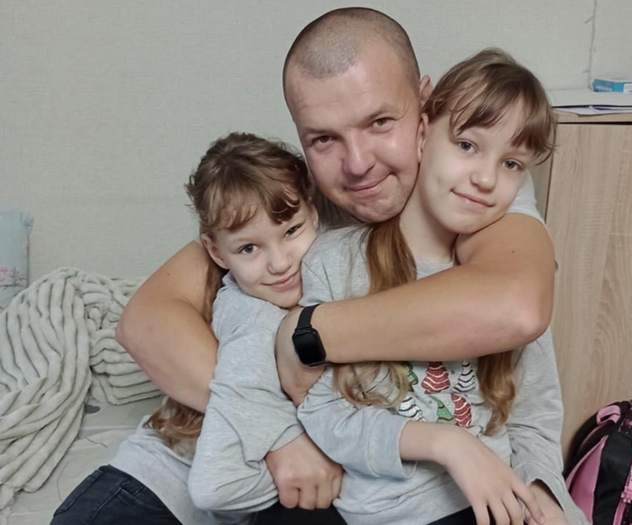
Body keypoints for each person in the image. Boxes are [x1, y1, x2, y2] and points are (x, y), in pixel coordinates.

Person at [117, 6, 556, 515]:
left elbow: (517, 313)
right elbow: (144, 321)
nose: (357, 164)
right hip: (195, 457)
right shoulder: (289, 203)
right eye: (323, 139)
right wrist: (283, 434)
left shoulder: (478, 186)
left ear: (425, 109)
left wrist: (304, 334)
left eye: (380, 122)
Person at [294, 49, 583, 525]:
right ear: (423, 132)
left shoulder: (505, 279)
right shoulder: (335, 261)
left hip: (501, 503)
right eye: (467, 145)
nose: (486, 178)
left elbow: (534, 416)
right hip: (394, 512)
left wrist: (542, 493)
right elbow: (321, 412)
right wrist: (448, 444)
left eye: (512, 163)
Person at [51, 133, 337, 524]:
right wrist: (279, 434)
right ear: (216, 251)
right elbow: (139, 324)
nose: (280, 263)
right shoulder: (243, 304)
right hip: (162, 477)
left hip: (263, 497)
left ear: (314, 215)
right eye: (249, 248)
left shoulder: (341, 272)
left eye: (290, 232)